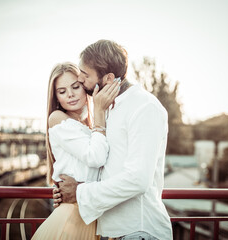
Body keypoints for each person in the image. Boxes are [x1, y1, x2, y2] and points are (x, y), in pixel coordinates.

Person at [54, 40, 173, 239]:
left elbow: (138, 180)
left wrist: (80, 193)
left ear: (108, 78)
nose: (80, 79)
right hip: (118, 231)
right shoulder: (109, 106)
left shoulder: (144, 107)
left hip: (140, 230)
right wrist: (67, 188)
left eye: (86, 74)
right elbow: (109, 168)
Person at [31, 62, 120, 240]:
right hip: (70, 219)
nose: (70, 94)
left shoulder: (91, 128)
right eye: (62, 91)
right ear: (56, 97)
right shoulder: (57, 119)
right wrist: (100, 111)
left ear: (85, 87)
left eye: (75, 87)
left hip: (88, 218)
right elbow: (95, 157)